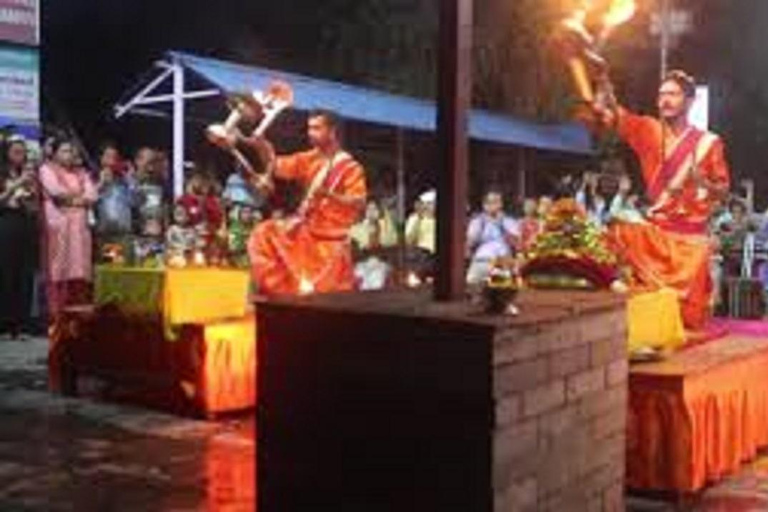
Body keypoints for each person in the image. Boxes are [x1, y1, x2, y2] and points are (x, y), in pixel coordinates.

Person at [590, 70, 730, 329]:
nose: (665, 100)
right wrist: (604, 83)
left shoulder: (710, 143)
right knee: (616, 235)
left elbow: (723, 191)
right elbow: (615, 115)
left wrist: (703, 183)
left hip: (690, 240)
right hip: (655, 234)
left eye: (673, 94)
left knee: (688, 319)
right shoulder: (648, 130)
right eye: (662, 94)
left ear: (689, 101)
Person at [246, 110, 367, 295]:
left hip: (331, 236)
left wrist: (328, 194)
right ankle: (281, 297)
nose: (310, 133)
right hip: (306, 229)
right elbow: (276, 166)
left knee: (322, 295)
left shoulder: (351, 167)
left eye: (317, 128)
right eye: (309, 128)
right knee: (263, 233)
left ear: (332, 132)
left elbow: (358, 202)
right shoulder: (309, 158)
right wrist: (261, 146)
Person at [40, 138, 98, 317]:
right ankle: (56, 309)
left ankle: (77, 307)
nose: (69, 155)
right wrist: (79, 199)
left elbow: (93, 194)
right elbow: (56, 192)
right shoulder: (46, 170)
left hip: (79, 224)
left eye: (72, 151)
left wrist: (74, 200)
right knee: (59, 262)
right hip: (58, 222)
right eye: (65, 151)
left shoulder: (82, 172)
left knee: (80, 263)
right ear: (55, 153)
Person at [0, 137, 38, 338]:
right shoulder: (2, 173)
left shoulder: (28, 174)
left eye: (23, 152)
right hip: (6, 223)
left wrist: (31, 194)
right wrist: (16, 185)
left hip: (25, 224)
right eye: (16, 151)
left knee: (25, 275)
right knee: (7, 274)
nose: (20, 155)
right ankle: (5, 325)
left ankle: (22, 325)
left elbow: (34, 207)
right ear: (6, 153)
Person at [466, 191, 520, 285]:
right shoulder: (477, 221)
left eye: (496, 202)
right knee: (471, 282)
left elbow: (516, 243)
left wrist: (501, 225)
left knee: (501, 287)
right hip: (482, 259)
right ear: (484, 205)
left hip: (502, 260)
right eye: (489, 202)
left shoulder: (509, 221)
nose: (492, 205)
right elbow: (470, 242)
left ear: (501, 204)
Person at [95, 143, 133, 238]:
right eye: (108, 156)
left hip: (123, 229)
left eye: (115, 157)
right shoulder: (92, 176)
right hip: (103, 230)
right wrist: (101, 183)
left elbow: (134, 200)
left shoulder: (124, 179)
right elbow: (89, 199)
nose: (111, 160)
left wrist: (130, 178)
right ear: (101, 158)